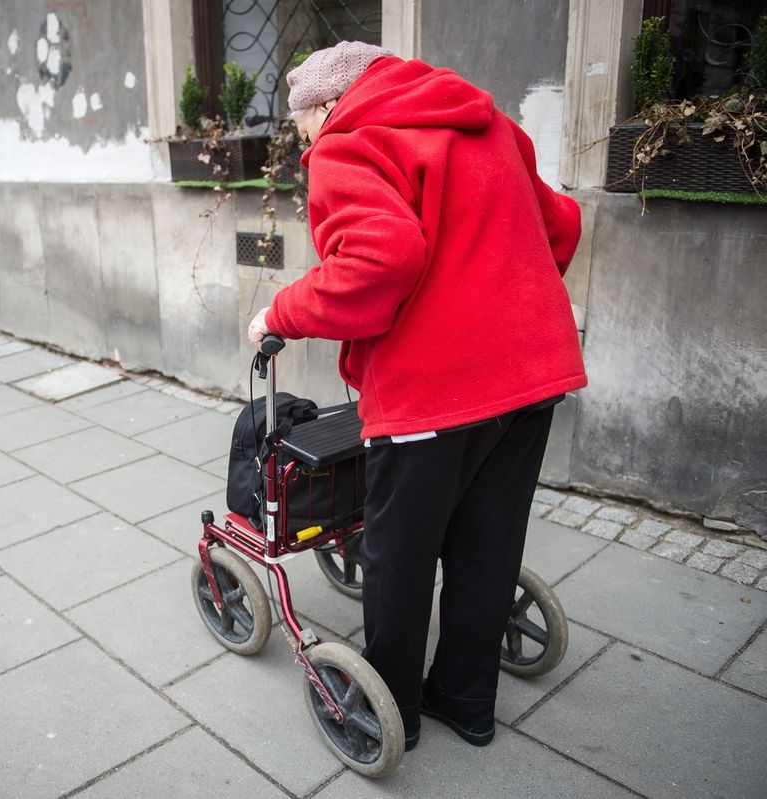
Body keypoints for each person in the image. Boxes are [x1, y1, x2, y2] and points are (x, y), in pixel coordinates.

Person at [247, 42, 587, 752]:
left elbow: (380, 260)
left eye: (301, 123)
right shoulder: (484, 121)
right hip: (532, 371)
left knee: (400, 554)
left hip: (434, 391)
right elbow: (560, 223)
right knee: (487, 542)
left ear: (326, 106)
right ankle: (466, 701)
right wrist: (502, 302)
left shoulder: (350, 144)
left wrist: (279, 312)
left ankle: (392, 707)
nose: (303, 141)